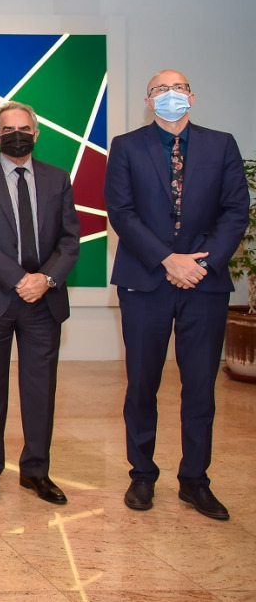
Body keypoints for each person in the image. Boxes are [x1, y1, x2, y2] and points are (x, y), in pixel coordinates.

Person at [105, 69, 247, 520]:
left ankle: (195, 480)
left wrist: (200, 264)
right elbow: (121, 212)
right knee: (142, 383)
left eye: (179, 87)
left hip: (204, 285)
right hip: (145, 281)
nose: (171, 95)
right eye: (161, 89)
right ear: (149, 101)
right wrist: (169, 260)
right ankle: (142, 475)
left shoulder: (221, 144)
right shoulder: (126, 147)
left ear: (192, 96)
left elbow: (235, 209)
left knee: (201, 387)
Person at [0, 101, 80, 506]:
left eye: (24, 128)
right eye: (7, 129)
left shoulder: (58, 179)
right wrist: (18, 279)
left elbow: (69, 241)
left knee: (40, 390)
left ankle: (36, 472)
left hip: (43, 301)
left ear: (37, 132)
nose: (16, 135)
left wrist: (43, 280)